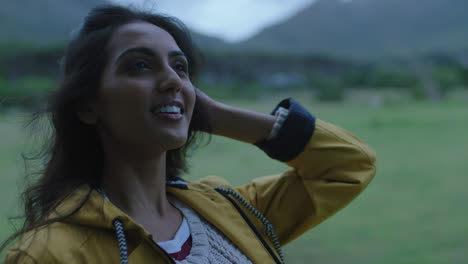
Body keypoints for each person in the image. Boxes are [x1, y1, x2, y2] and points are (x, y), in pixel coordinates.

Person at [2, 4, 377, 264]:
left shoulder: (232, 209)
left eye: (180, 67)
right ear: (87, 106)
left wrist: (216, 116)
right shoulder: (51, 252)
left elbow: (348, 165)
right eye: (140, 65)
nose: (172, 80)